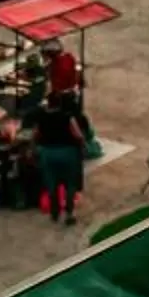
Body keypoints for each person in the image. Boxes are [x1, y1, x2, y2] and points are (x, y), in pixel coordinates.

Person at [32, 91, 87, 225]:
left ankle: (55, 211)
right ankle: (69, 213)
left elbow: (35, 135)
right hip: (67, 152)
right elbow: (78, 135)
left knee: (52, 184)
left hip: (48, 153)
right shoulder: (67, 117)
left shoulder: (42, 117)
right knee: (70, 184)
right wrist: (83, 147)